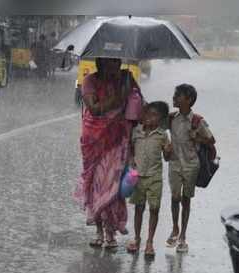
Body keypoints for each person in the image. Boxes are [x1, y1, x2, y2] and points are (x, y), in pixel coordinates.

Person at [74, 57, 142, 249]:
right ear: (101, 63)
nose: (116, 65)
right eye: (111, 61)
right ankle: (98, 231)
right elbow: (94, 109)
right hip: (94, 142)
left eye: (117, 61)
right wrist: (116, 99)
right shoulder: (90, 81)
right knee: (96, 186)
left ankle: (111, 232)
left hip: (118, 141)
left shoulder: (126, 79)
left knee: (112, 187)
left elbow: (138, 107)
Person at [166, 84, 215, 253]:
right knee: (174, 197)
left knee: (186, 199)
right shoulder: (171, 118)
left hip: (191, 165)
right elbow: (154, 124)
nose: (174, 98)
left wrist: (198, 137)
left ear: (189, 100)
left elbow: (211, 140)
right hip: (174, 164)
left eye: (177, 95)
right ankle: (174, 228)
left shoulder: (197, 121)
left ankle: (183, 237)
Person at [126, 101, 172, 257]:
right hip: (138, 177)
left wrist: (168, 151)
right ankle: (137, 238)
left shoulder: (162, 135)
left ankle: (150, 241)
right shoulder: (136, 132)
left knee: (154, 209)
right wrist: (131, 160)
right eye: (147, 114)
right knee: (139, 208)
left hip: (155, 177)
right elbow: (131, 150)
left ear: (161, 120)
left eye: (154, 115)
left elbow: (167, 158)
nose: (149, 118)